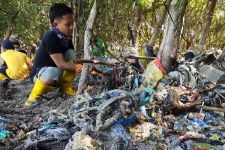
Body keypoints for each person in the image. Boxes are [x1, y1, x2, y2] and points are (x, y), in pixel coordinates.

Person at [25, 3, 82, 107]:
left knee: (71, 53)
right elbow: (62, 64)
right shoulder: (50, 37)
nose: (71, 27)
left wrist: (84, 63)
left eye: (72, 24)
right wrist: (82, 67)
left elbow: (72, 60)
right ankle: (33, 97)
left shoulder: (66, 39)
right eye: (68, 24)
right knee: (52, 71)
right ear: (55, 24)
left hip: (57, 73)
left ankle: (65, 86)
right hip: (41, 75)